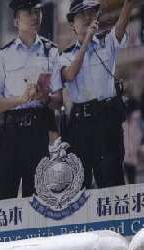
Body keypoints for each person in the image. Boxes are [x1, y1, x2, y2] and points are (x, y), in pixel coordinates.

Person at [0, 0, 62, 200]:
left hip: (38, 133)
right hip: (10, 135)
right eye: (28, 12)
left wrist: (45, 97)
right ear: (16, 20)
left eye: (38, 11)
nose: (35, 16)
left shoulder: (50, 52)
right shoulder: (4, 56)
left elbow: (59, 101)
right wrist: (20, 99)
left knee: (37, 201)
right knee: (4, 198)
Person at [53, 0, 133, 189]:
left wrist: (128, 4)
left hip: (107, 122)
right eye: (81, 15)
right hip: (80, 126)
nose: (88, 17)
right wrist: (86, 41)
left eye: (91, 13)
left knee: (112, 182)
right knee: (79, 187)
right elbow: (70, 74)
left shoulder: (107, 42)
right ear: (72, 24)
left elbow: (121, 25)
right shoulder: (65, 56)